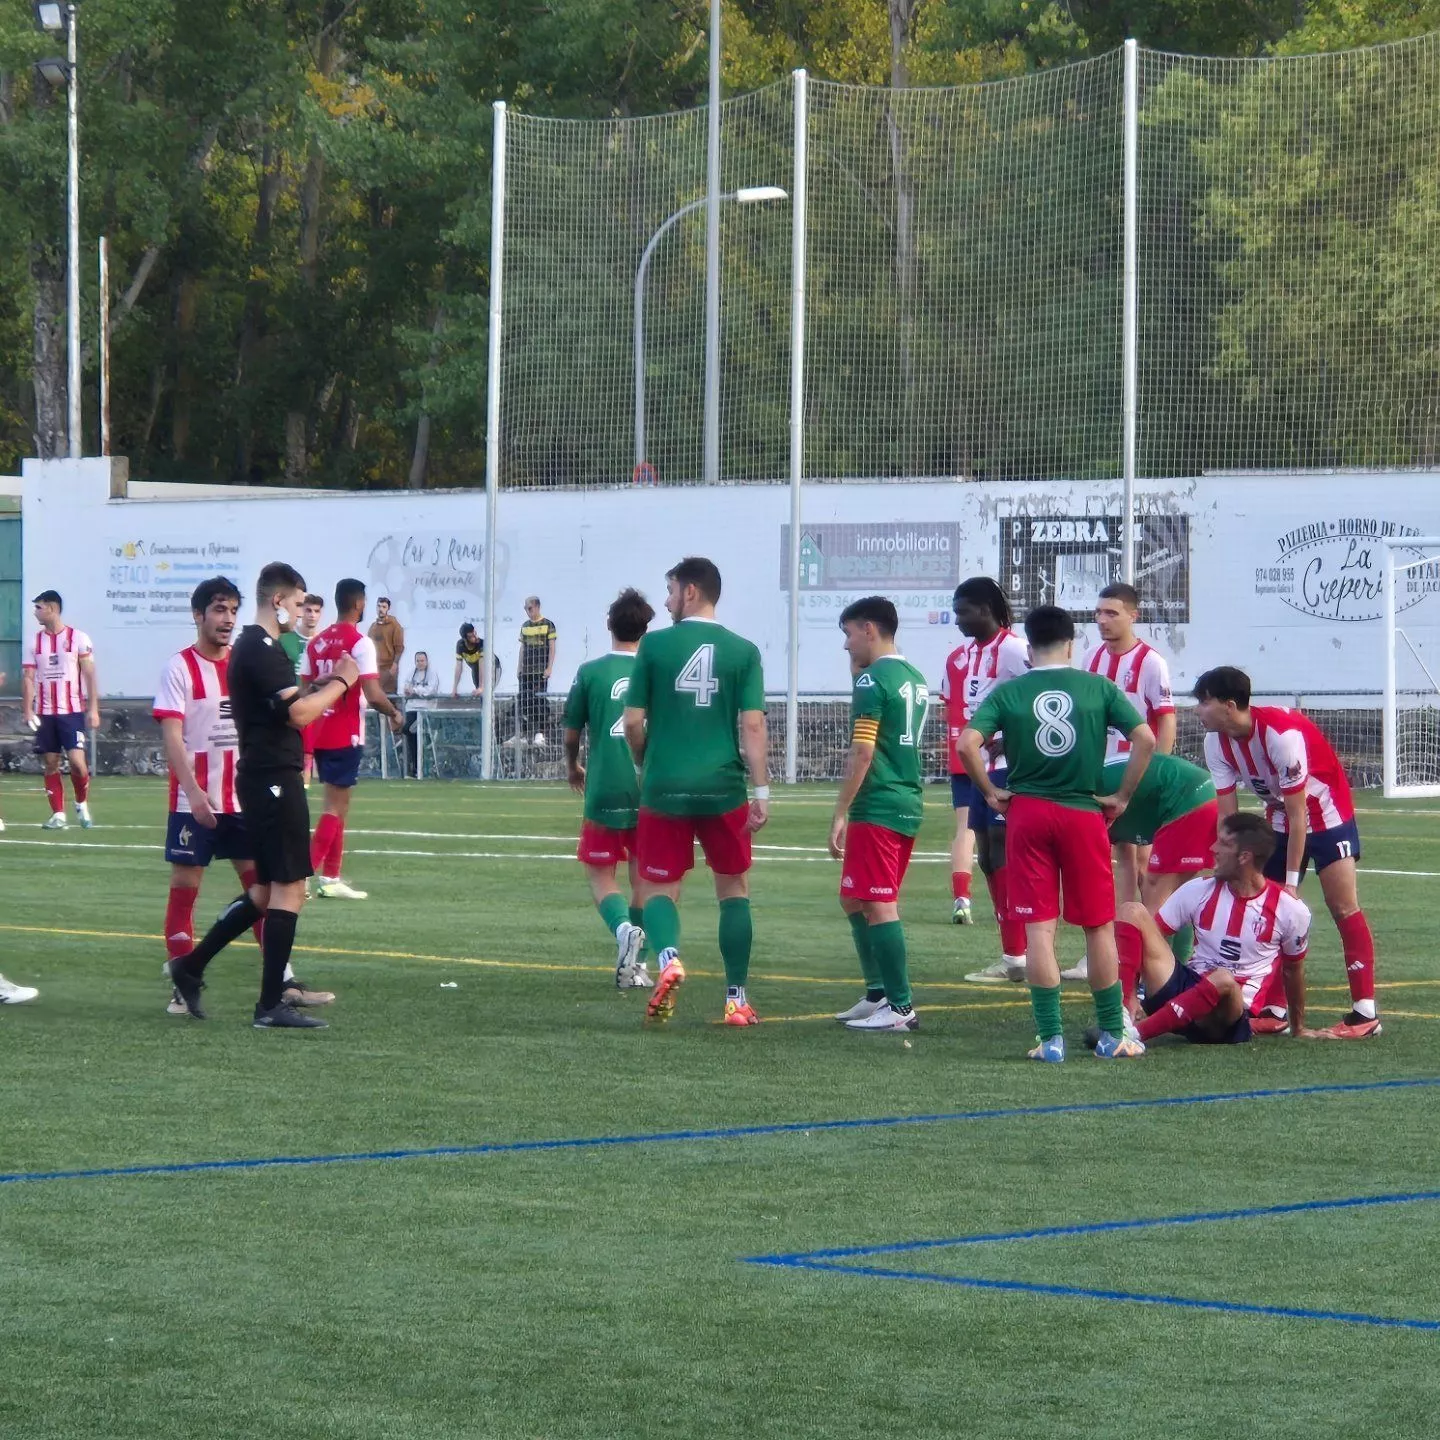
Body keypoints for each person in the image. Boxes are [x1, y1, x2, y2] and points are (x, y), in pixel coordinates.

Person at [166, 561, 358, 1030]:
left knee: (263, 889)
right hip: (272, 776)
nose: (300, 611)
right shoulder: (262, 646)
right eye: (296, 603)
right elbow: (299, 715)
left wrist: (318, 686)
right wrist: (342, 680)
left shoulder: (255, 647)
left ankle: (190, 968)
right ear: (279, 601)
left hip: (262, 775)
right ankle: (270, 1004)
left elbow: (284, 705)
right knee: (290, 887)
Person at [959, 603, 1155, 1062]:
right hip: (1082, 813)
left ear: (1028, 648)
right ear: (1072, 644)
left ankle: (1050, 1040)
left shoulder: (1010, 692)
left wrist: (990, 791)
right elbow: (1145, 738)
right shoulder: (1097, 687)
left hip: (1027, 813)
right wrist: (1122, 796)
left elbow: (968, 743)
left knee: (1038, 929)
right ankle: (1111, 1034)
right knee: (1098, 927)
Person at [1193, 665, 1380, 1040]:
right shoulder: (1217, 741)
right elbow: (1228, 817)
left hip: (1326, 809)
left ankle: (1365, 1013)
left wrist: (1291, 885)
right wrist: (1226, 865)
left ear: (1230, 705)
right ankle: (1275, 1009)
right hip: (1279, 814)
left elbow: (1301, 817)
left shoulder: (1280, 735)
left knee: (1342, 905)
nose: (1197, 710)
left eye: (1204, 702)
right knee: (1267, 905)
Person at [623, 556, 769, 1026]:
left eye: (669, 591)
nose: (665, 601)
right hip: (723, 786)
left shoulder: (653, 647)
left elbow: (631, 722)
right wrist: (761, 790)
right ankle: (736, 998)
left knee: (659, 886)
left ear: (690, 591)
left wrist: (648, 762)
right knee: (734, 889)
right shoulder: (744, 651)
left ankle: (668, 959)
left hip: (664, 785)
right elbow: (752, 724)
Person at [1110, 813, 1313, 1046]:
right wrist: (1134, 992)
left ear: (1244, 857)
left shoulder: (1289, 910)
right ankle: (1123, 1016)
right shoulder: (1199, 890)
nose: (1213, 848)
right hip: (1186, 989)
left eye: (1224, 844)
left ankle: (1135, 1036)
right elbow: (1144, 940)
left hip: (1227, 1016)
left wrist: (1299, 1028)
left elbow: (1293, 970)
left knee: (1224, 980)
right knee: (1132, 911)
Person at [1067, 583, 1177, 981]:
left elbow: (1165, 720)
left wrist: (1155, 772)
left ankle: (1144, 946)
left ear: (1134, 615)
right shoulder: (1092, 657)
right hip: (1100, 772)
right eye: (1098, 613)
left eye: (1112, 613)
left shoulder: (1151, 662)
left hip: (1136, 771)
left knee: (1144, 861)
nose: (1101, 620)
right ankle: (1112, 946)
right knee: (1116, 858)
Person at [830, 597, 930, 1033]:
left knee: (878, 901)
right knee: (853, 898)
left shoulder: (873, 680)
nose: (846, 645)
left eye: (849, 634)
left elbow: (864, 750)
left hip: (880, 803)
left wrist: (840, 810)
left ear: (869, 629)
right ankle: (878, 993)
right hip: (904, 798)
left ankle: (901, 1006)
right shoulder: (913, 676)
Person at [938, 577, 1030, 981]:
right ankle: (1012, 956)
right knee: (989, 855)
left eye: (964, 612)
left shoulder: (1012, 650)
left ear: (986, 610)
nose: (958, 620)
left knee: (1005, 850)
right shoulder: (966, 654)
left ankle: (1024, 953)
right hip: (981, 767)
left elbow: (1040, 700)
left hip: (1012, 766)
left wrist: (1008, 738)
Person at [563, 588, 656, 990]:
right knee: (646, 881)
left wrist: (572, 766)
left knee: (601, 875)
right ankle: (641, 966)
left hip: (603, 786)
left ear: (609, 626)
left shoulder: (590, 672)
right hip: (649, 789)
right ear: (646, 629)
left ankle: (623, 933)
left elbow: (570, 733)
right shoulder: (656, 670)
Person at [301, 578, 404, 900]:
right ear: (359, 604)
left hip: (319, 730)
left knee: (338, 806)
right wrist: (394, 713)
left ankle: (331, 878)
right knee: (335, 806)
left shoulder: (315, 643)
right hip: (345, 732)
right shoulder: (360, 643)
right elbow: (373, 694)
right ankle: (303, 874)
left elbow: (305, 691)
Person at [21, 589, 98, 830]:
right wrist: (28, 710)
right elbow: (29, 678)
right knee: (51, 762)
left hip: (72, 712)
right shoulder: (34, 642)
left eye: (39, 607)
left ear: (52, 608)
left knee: (78, 763)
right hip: (45, 712)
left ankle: (81, 803)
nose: (35, 613)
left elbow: (90, 675)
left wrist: (94, 708)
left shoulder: (79, 638)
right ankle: (58, 814)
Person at [517, 596, 557, 745]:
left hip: (540, 671)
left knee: (539, 701)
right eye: (526, 609)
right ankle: (524, 734)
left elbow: (552, 647)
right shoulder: (525, 625)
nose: (528, 612)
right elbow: (522, 648)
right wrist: (519, 667)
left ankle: (540, 734)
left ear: (537, 607)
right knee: (524, 701)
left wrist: (549, 667)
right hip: (526, 671)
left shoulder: (548, 625)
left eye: (529, 608)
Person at [296, 594, 325, 786]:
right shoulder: (286, 640)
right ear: (301, 611)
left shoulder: (324, 642)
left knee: (307, 755)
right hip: (288, 706)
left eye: (316, 611)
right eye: (308, 610)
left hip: (313, 707)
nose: (312, 615)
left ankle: (302, 794)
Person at [401, 651, 440, 777]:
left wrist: (415, 690)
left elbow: (430, 690)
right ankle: (416, 767)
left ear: (427, 661)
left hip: (425, 710)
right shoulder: (411, 673)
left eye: (422, 660)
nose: (420, 663)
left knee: (414, 732)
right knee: (408, 731)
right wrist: (409, 691)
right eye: (418, 661)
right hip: (412, 707)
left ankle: (422, 765)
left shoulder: (432, 674)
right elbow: (406, 687)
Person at [369, 596, 406, 694]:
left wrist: (394, 666)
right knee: (374, 697)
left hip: (388, 668)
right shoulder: (373, 627)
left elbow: (399, 647)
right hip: (375, 668)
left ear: (388, 609)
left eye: (384, 607)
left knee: (388, 699)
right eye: (379, 606)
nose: (381, 609)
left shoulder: (395, 625)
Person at [453, 622, 497, 697]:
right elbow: (458, 667)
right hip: (476, 668)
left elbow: (482, 666)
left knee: (486, 689)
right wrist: (455, 688)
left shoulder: (482, 644)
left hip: (492, 666)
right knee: (479, 691)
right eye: (472, 636)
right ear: (465, 639)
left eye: (475, 633)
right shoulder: (460, 645)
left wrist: (481, 687)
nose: (476, 637)